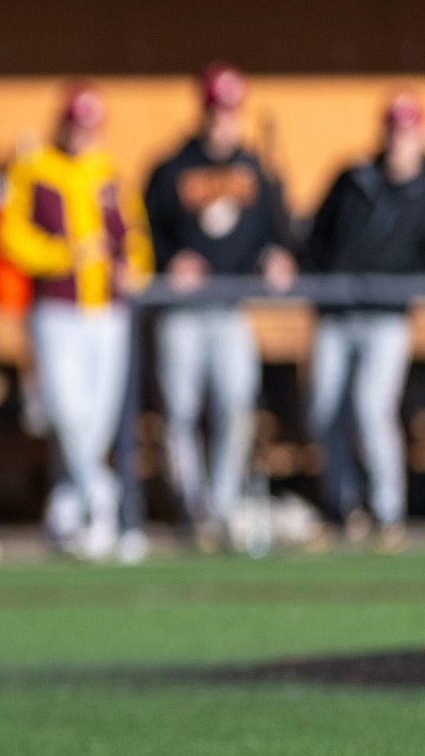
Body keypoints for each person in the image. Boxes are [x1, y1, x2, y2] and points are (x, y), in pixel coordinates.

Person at [142, 63, 296, 552]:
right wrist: (170, 261)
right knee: (180, 411)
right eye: (215, 109)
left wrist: (275, 256)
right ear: (202, 110)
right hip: (182, 311)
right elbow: (145, 234)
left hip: (231, 308)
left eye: (230, 110)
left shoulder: (255, 168)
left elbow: (276, 234)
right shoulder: (170, 168)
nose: (222, 120)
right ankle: (195, 509)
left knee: (236, 405)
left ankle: (223, 504)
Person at [0, 83, 153, 562]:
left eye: (90, 124)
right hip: (57, 308)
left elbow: (136, 238)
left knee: (96, 419)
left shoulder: (109, 172)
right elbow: (12, 236)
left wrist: (134, 269)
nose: (82, 133)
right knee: (65, 411)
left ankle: (66, 512)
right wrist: (64, 255)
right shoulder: (35, 167)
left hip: (106, 310)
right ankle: (104, 502)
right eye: (76, 123)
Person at [302, 91, 425, 552]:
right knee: (326, 411)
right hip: (336, 313)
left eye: (408, 130)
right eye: (394, 129)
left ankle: (387, 511)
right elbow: (316, 237)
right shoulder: (354, 177)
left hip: (387, 317)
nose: (400, 140)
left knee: (374, 409)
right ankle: (342, 508)